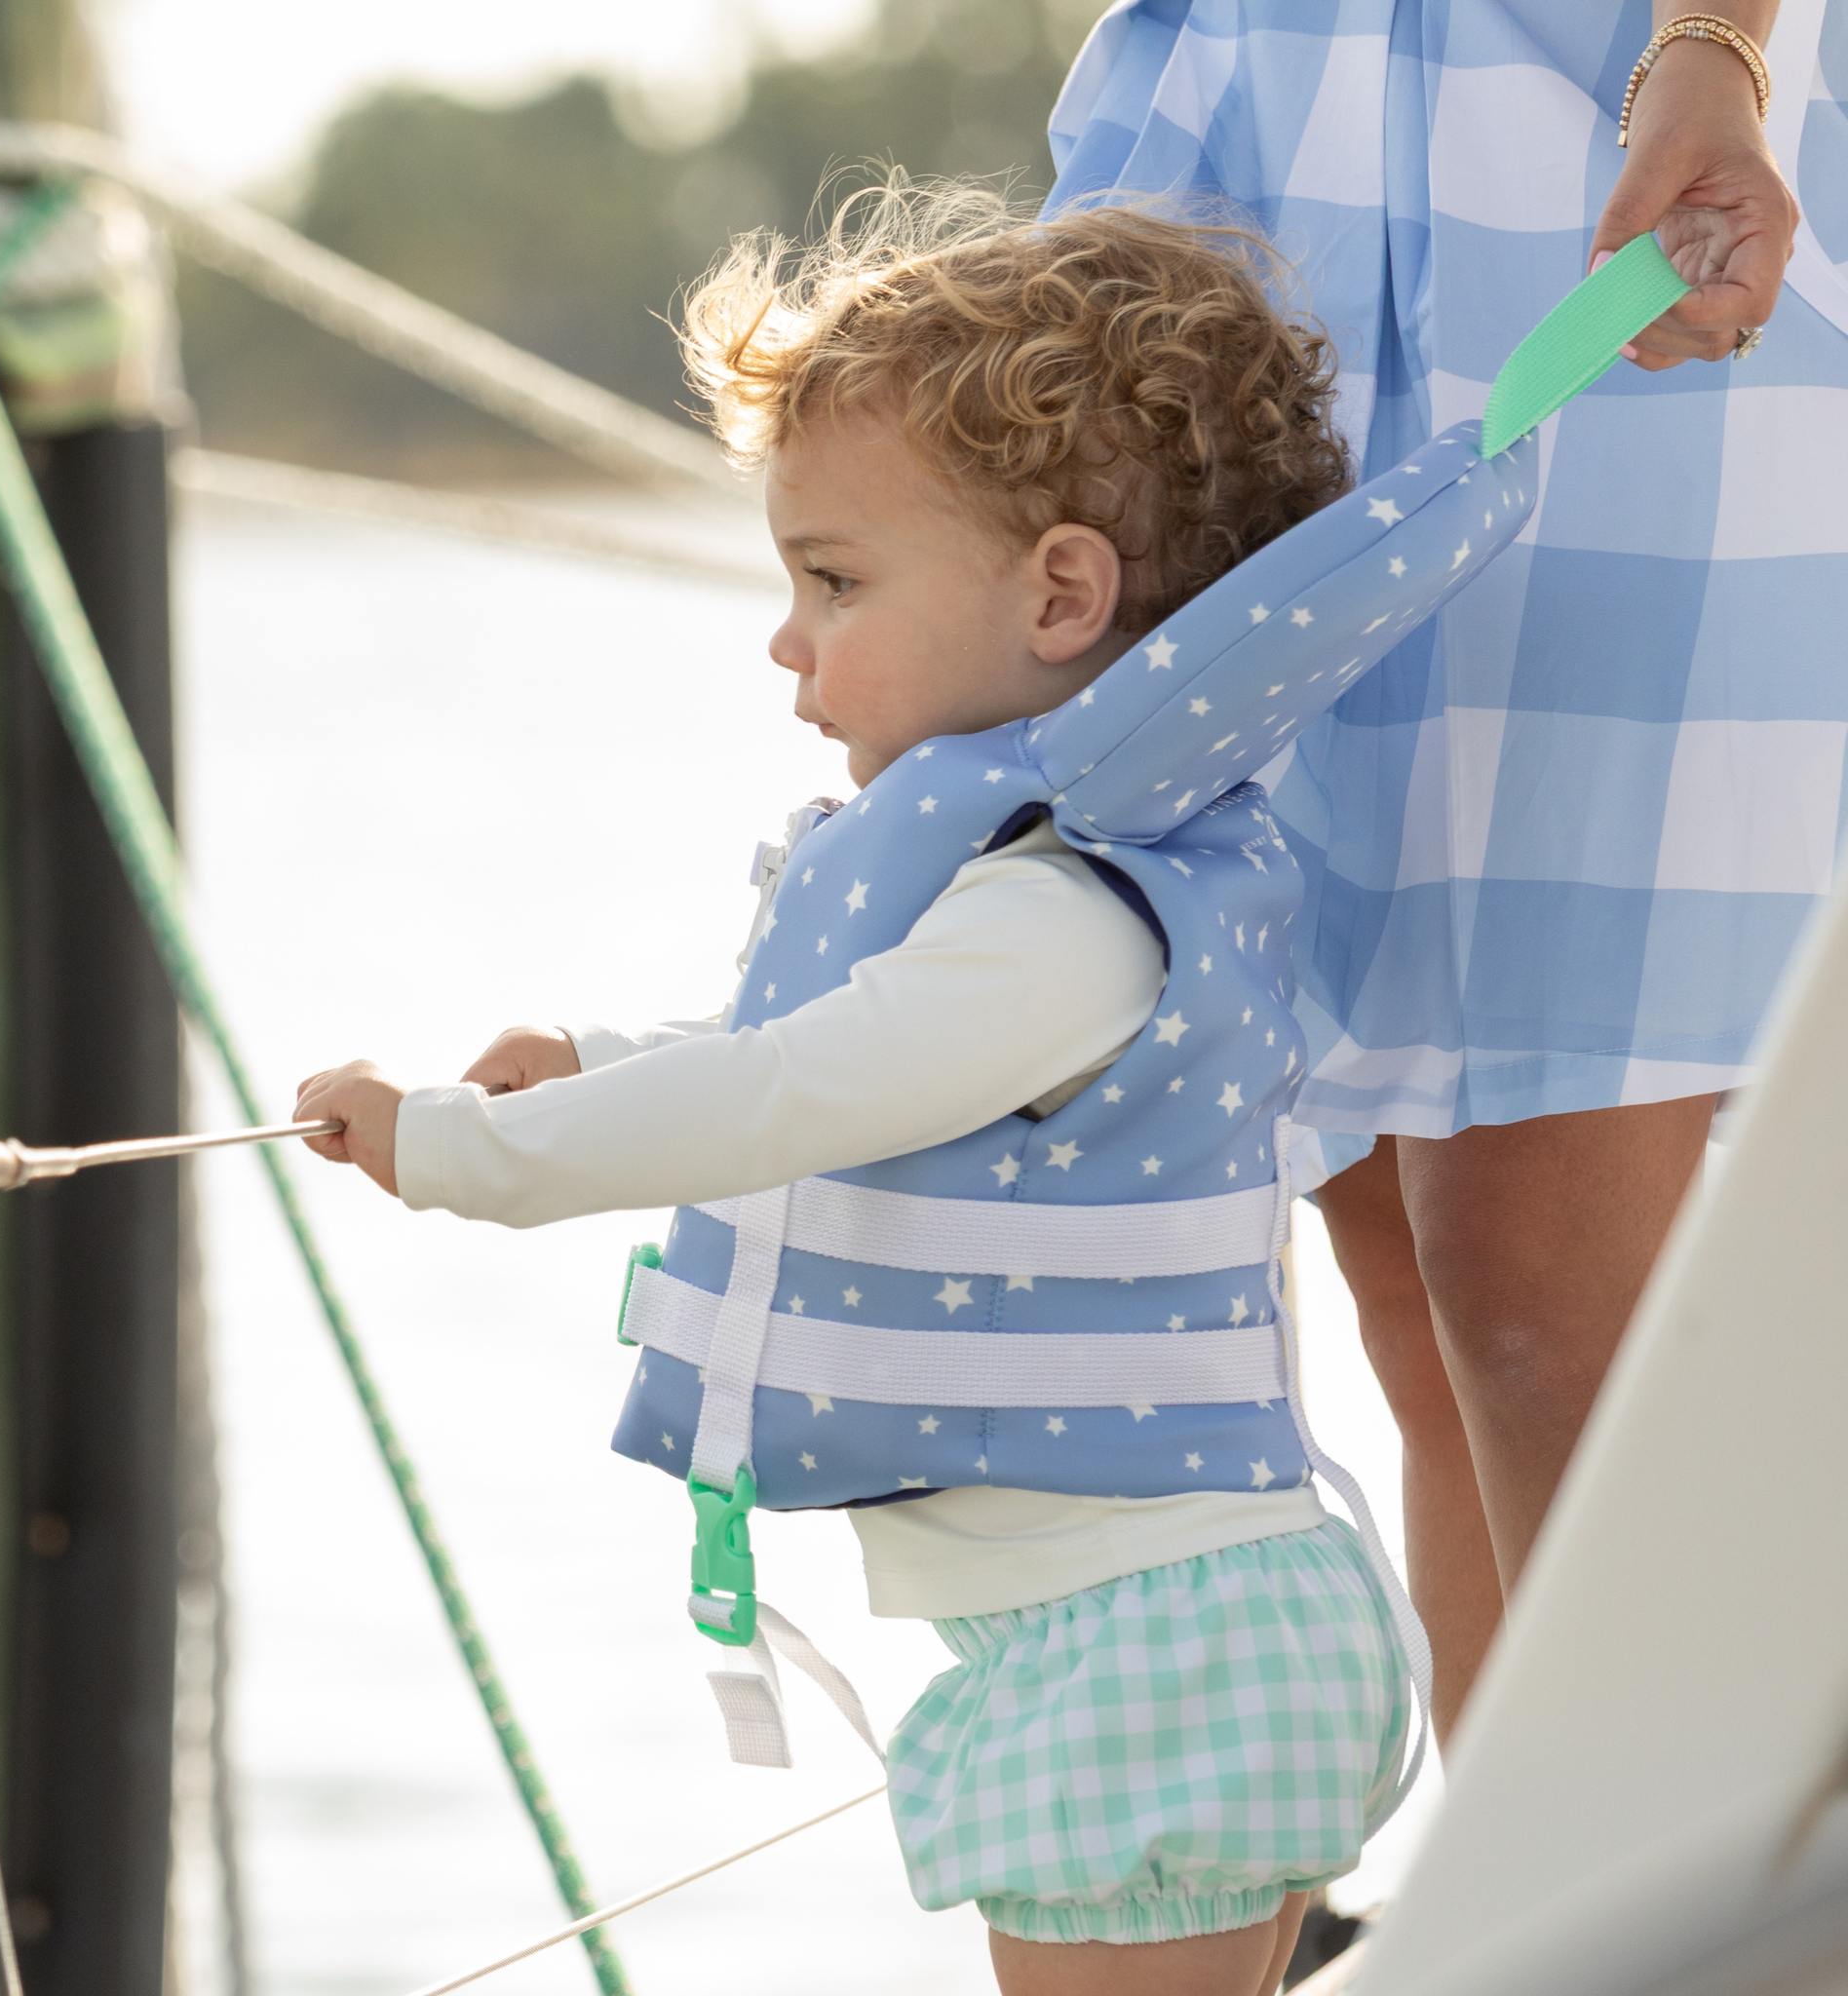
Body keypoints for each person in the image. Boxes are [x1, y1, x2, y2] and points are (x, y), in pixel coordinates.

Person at [288, 188, 1521, 1995]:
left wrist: (470, 1151)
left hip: (1146, 1666)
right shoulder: (1017, 898)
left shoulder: (1068, 918)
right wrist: (598, 1058)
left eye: (836, 580)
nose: (788, 643)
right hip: (1119, 1641)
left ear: (1062, 594)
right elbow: (820, 1067)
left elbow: (796, 1096)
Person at [1045, 0, 1845, 1745]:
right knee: (1408, 1284)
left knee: (1525, 1282)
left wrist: (1712, 47)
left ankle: (1646, 1911)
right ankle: (1515, 1900)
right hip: (1260, 195)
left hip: (1607, 178)